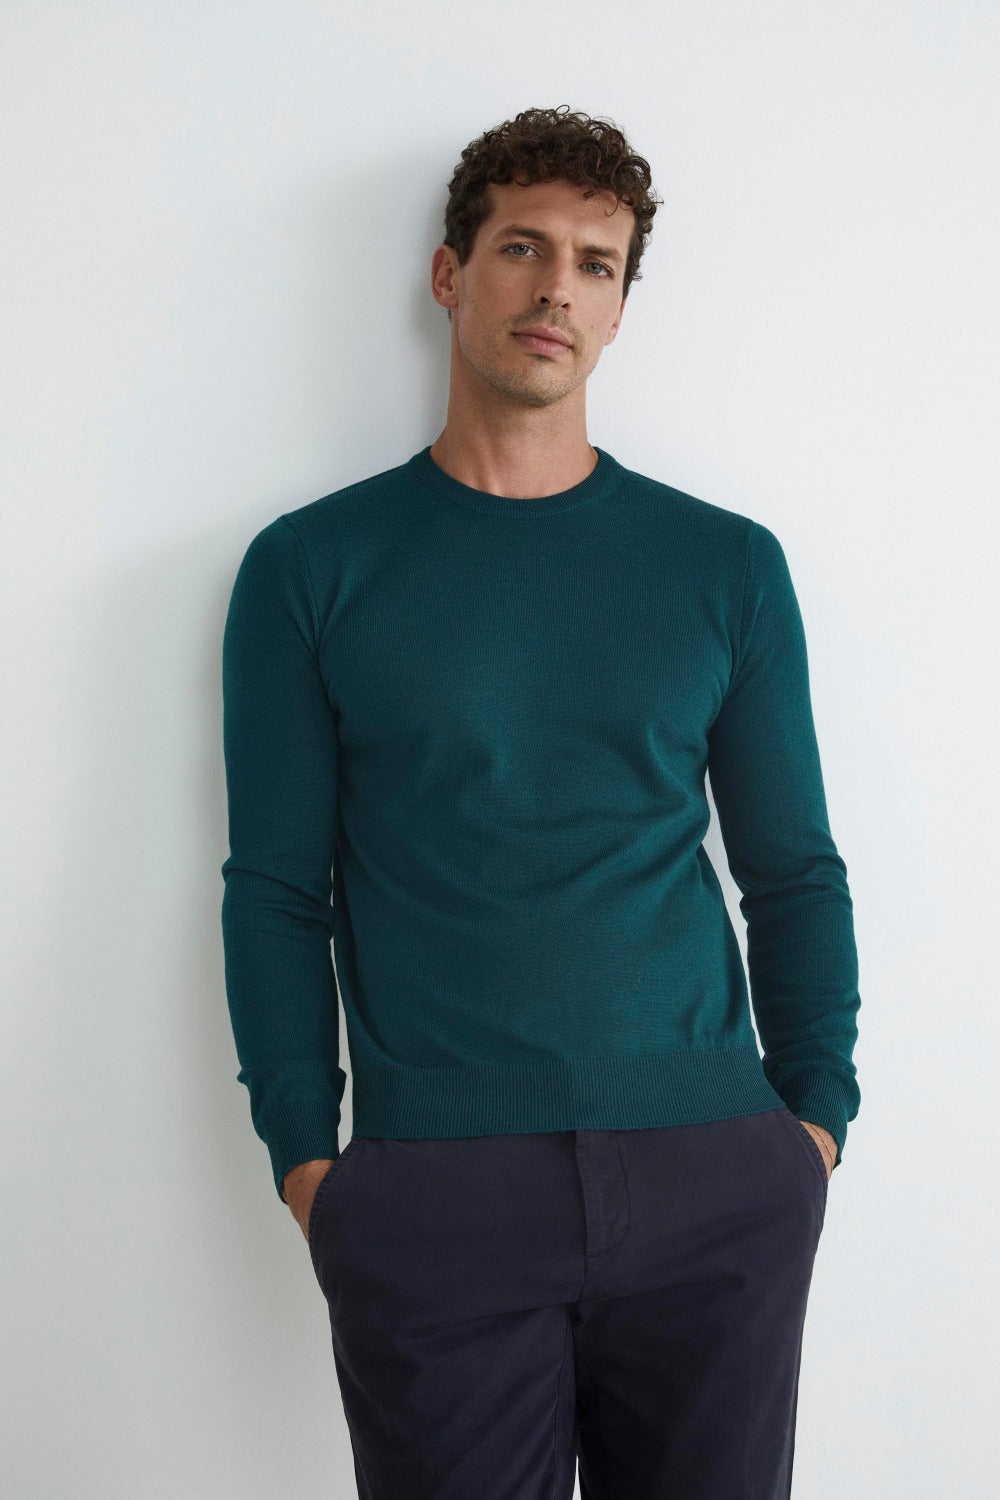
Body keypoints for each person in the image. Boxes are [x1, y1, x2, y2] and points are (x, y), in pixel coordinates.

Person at [220, 104, 861, 1499]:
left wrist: (810, 1125)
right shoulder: (312, 568)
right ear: (451, 276)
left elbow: (795, 870)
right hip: (436, 1191)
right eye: (522, 247)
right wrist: (309, 1161)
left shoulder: (725, 567)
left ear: (620, 309)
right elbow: (273, 888)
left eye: (595, 262)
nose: (556, 286)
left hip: (717, 1175)